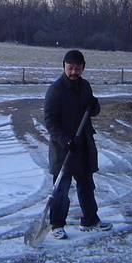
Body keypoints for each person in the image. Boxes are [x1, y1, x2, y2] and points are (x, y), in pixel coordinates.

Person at [43, 49, 111, 240]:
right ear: (64, 67)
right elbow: (50, 122)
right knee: (61, 189)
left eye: (77, 68)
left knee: (87, 185)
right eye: (70, 68)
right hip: (63, 149)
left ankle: (90, 220)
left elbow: (92, 111)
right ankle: (57, 224)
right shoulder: (55, 90)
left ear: (83, 68)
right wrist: (65, 140)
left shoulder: (85, 86)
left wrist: (94, 106)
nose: (74, 72)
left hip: (83, 145)